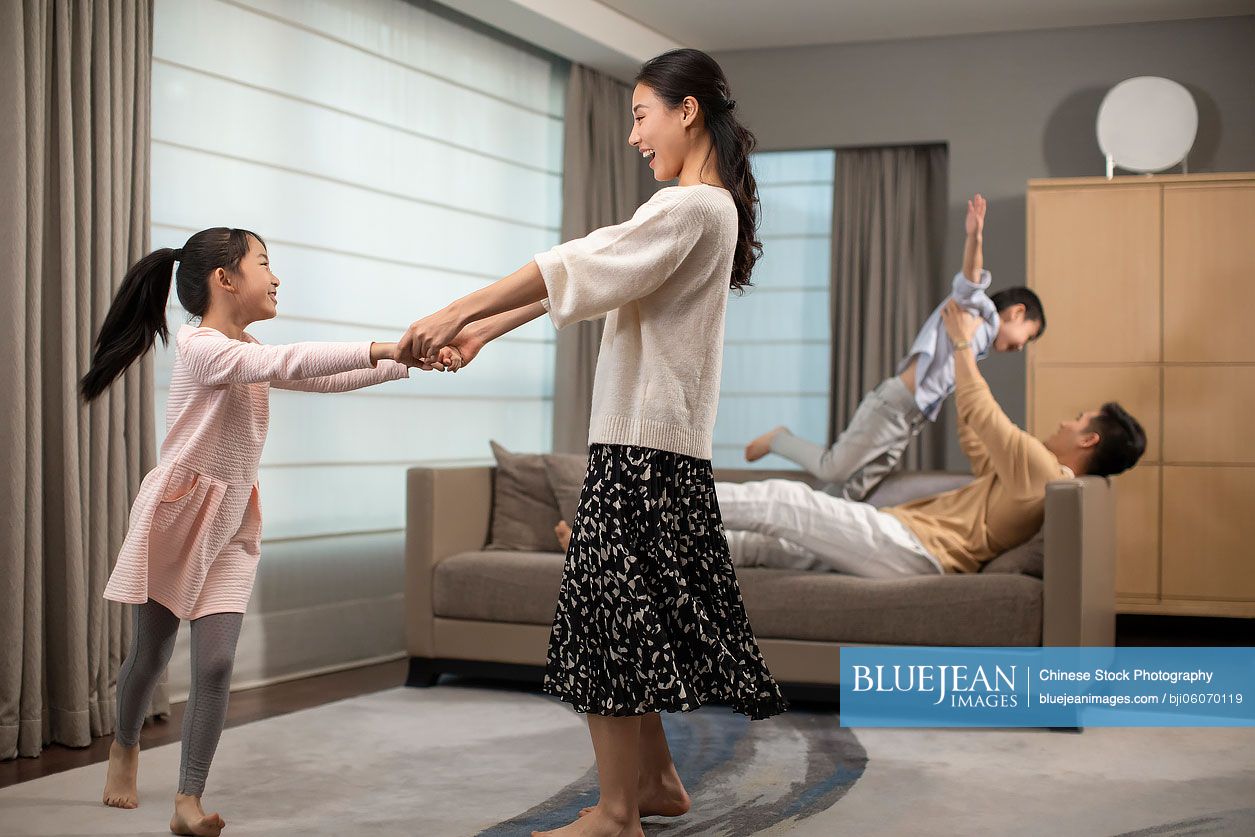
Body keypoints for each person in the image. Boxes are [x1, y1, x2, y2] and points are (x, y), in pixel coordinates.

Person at [399, 48, 787, 837]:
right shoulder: (697, 210)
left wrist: (455, 310)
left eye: (642, 114)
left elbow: (579, 261)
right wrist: (480, 331)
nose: (635, 135)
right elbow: (594, 277)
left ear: (687, 110)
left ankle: (615, 815)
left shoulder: (695, 207)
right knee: (627, 615)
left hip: (641, 455)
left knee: (605, 620)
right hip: (656, 451)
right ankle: (655, 784)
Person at [81, 227, 432, 837]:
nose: (276, 277)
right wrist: (384, 343)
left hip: (232, 520)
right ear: (225, 279)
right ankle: (125, 745)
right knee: (151, 655)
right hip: (180, 513)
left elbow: (319, 376)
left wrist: (405, 359)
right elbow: (286, 361)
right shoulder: (202, 348)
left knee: (215, 665)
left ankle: (188, 800)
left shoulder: (247, 347)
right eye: (264, 263)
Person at [713, 300, 1145, 578]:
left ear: (1088, 440)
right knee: (765, 548)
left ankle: (670, 502)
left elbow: (981, 410)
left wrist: (961, 343)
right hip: (909, 546)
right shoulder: (1034, 478)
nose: (1065, 424)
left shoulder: (1042, 469)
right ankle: (654, 549)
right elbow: (974, 432)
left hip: (914, 549)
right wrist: (957, 366)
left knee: (785, 501)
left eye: (1076, 420)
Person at [745, 194, 1047, 501]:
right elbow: (971, 279)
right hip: (893, 407)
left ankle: (808, 528)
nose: (1022, 348)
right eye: (1029, 336)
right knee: (834, 468)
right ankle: (779, 439)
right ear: (1017, 313)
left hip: (909, 421)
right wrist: (975, 236)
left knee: (853, 492)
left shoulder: (974, 341)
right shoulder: (977, 312)